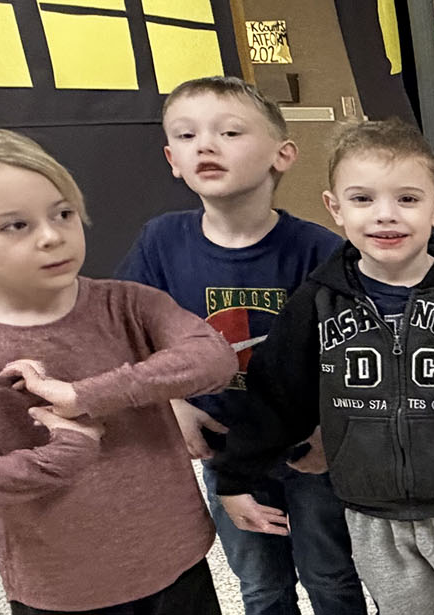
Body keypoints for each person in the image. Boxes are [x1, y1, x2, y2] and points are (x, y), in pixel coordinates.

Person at [213, 121, 434, 615]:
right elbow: (274, 398)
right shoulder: (316, 304)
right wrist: (236, 477)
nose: (386, 216)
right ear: (335, 208)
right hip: (370, 509)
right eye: (363, 200)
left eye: (407, 199)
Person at [0, 129, 237, 614]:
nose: (52, 235)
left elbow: (212, 357)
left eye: (62, 213)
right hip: (66, 588)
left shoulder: (127, 303)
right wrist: (65, 454)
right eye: (15, 226)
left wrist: (85, 395)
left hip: (178, 558)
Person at [118, 75, 363, 615]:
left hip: (308, 452)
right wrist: (172, 405)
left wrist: (330, 430)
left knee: (332, 578)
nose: (205, 144)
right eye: (186, 136)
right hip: (225, 453)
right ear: (171, 159)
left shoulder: (321, 251)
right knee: (260, 585)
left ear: (282, 154)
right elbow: (123, 337)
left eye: (229, 131)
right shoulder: (161, 241)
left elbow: (353, 356)